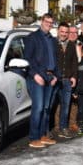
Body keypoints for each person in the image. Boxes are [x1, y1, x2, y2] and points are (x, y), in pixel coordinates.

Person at [22, 13, 59, 148]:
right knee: (38, 108)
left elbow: (56, 60)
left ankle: (43, 135)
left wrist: (56, 76)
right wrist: (35, 75)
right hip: (37, 77)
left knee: (46, 108)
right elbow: (27, 59)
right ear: (41, 21)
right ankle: (34, 137)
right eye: (47, 22)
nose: (49, 24)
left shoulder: (53, 40)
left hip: (50, 77)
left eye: (51, 22)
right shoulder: (32, 38)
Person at [53, 24, 79, 138]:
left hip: (67, 80)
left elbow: (74, 62)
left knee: (65, 105)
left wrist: (74, 76)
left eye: (66, 32)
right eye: (62, 31)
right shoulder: (53, 43)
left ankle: (63, 127)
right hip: (54, 79)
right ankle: (50, 128)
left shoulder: (71, 45)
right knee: (50, 105)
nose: (64, 34)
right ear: (58, 31)